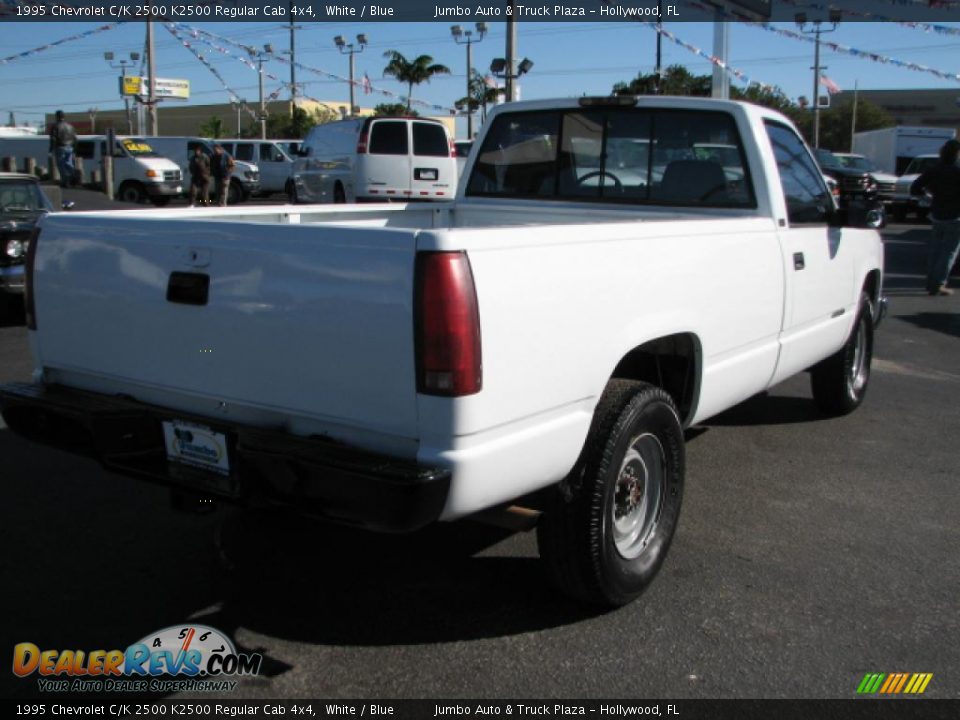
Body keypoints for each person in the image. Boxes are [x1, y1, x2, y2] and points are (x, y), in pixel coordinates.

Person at [911, 138, 960, 296]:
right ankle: (939, 283)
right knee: (949, 251)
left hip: (937, 213)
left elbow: (915, 188)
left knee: (936, 250)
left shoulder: (934, 169)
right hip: (956, 215)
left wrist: (929, 198)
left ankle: (931, 282)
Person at [48, 110, 77, 188]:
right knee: (69, 164)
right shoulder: (70, 126)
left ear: (57, 117)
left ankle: (65, 181)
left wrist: (51, 149)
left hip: (60, 147)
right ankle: (73, 177)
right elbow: (75, 138)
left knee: (61, 165)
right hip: (70, 147)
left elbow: (53, 138)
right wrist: (74, 148)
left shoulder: (55, 126)